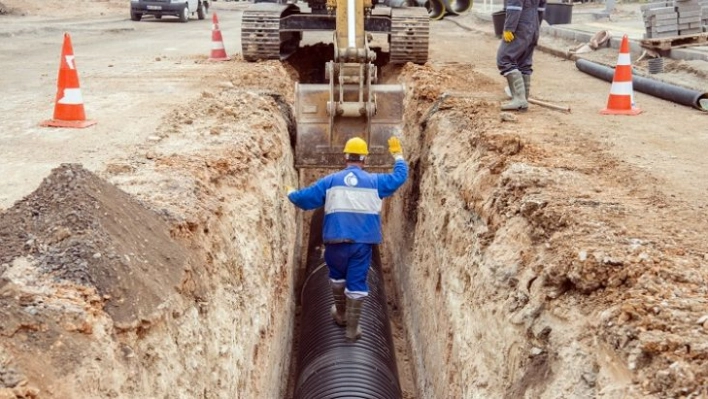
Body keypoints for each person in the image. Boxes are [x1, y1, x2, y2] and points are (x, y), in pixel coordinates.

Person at [286, 136, 408, 342]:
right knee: (357, 282)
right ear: (365, 159)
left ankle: (341, 314)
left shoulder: (330, 181)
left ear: (345, 157)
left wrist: (291, 194)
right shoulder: (375, 182)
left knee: (337, 278)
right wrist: (398, 155)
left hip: (335, 241)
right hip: (361, 244)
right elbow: (400, 177)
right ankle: (352, 329)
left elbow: (305, 199)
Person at [496, 0, 546, 111]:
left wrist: (509, 28)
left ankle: (519, 99)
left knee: (504, 59)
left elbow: (515, 6)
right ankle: (523, 99)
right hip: (534, 25)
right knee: (524, 61)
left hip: (520, 25)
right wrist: (535, 26)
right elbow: (541, 7)